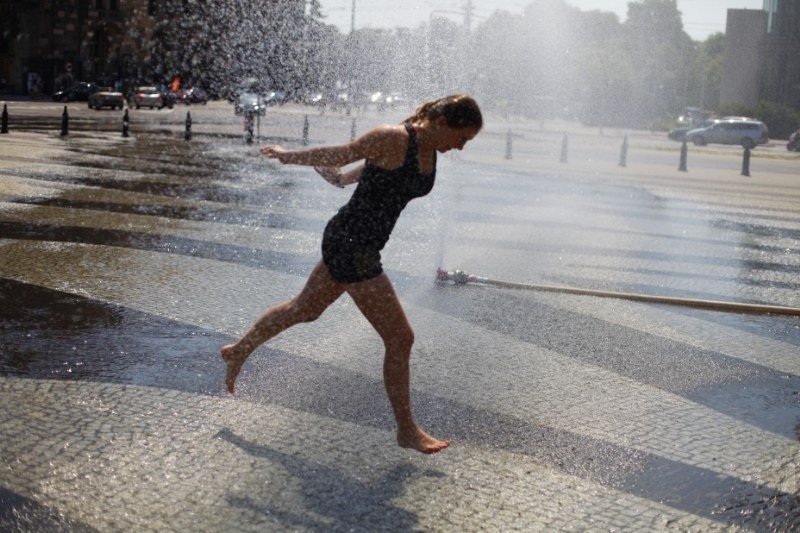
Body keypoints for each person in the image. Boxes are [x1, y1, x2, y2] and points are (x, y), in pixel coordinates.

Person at [221, 94, 483, 454]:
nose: (461, 147)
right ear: (441, 123)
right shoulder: (393, 137)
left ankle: (238, 350)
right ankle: (406, 429)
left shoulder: (427, 151)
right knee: (401, 338)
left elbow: (372, 170)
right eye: (462, 137)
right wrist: (287, 156)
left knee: (304, 310)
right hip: (352, 246)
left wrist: (344, 180)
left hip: (358, 244)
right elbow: (342, 152)